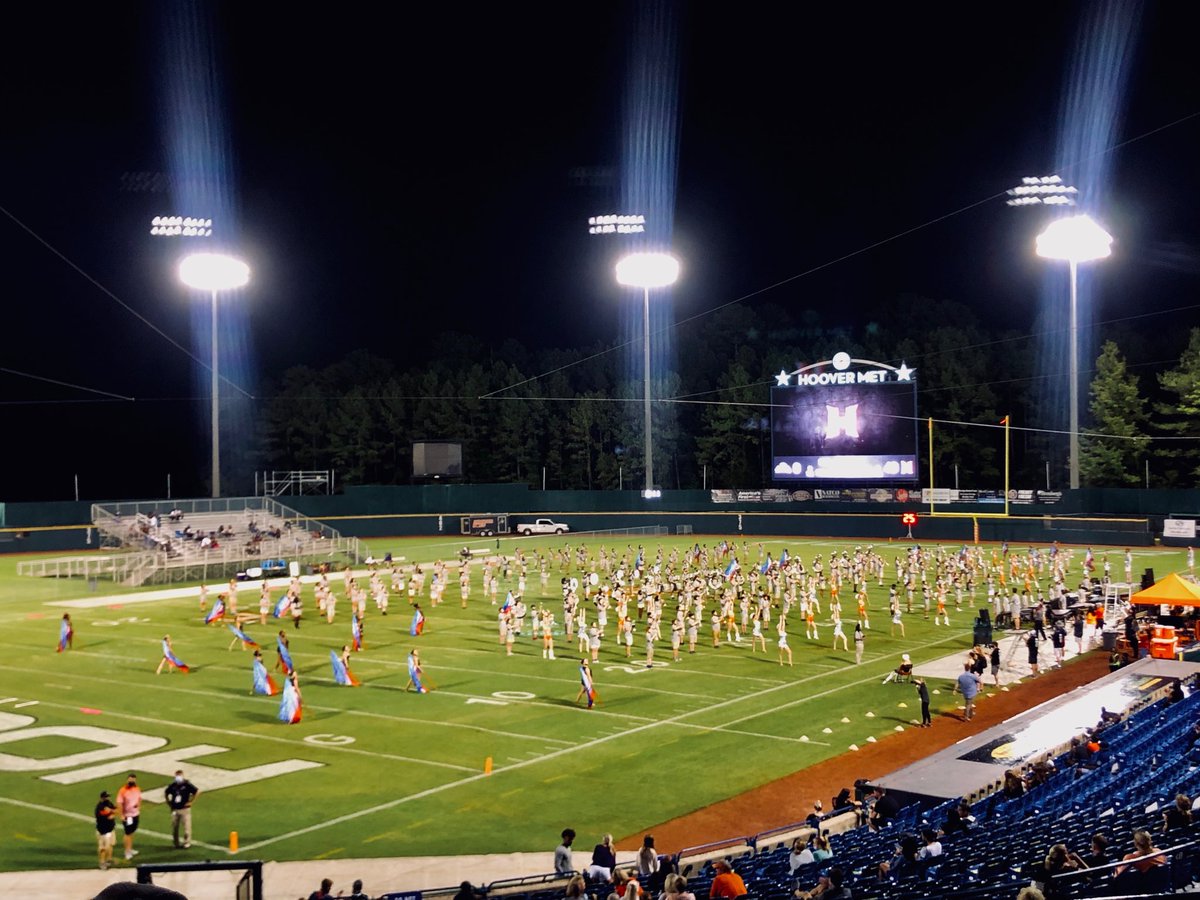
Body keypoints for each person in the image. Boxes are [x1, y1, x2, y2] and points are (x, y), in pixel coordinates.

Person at [164, 769, 199, 849]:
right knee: (174, 828)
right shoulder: (173, 785)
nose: (178, 778)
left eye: (179, 776)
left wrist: (191, 802)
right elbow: (166, 792)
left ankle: (187, 843)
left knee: (187, 828)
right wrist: (168, 802)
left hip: (184, 809)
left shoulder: (187, 784)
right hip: (175, 809)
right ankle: (175, 843)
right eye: (177, 776)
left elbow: (196, 791)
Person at [116, 772, 141, 860]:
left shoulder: (137, 789)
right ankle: (127, 851)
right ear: (127, 780)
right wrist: (121, 815)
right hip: (128, 816)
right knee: (128, 833)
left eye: (133, 780)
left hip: (135, 814)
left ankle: (130, 848)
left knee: (132, 832)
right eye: (130, 779)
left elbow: (139, 799)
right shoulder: (123, 790)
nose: (132, 781)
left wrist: (138, 807)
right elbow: (119, 803)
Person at [95, 789, 116, 870]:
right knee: (103, 848)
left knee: (110, 845)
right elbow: (103, 818)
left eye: (108, 797)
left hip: (110, 829)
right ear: (102, 798)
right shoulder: (99, 807)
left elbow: (116, 810)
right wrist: (110, 815)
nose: (107, 798)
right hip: (102, 831)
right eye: (106, 797)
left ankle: (108, 860)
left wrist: (112, 812)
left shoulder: (109, 804)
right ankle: (102, 862)